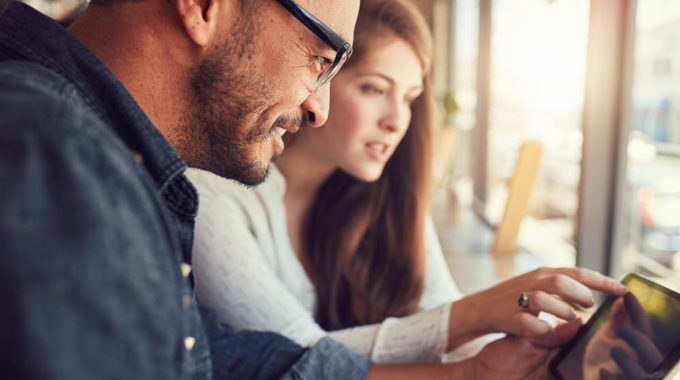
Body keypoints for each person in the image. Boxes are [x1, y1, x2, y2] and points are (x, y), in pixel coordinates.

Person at [0, 0, 585, 378]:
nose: (319, 108)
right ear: (203, 7)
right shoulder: (55, 161)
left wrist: (473, 374)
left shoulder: (118, 165)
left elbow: (215, 353)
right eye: (320, 58)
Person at [188, 0, 629, 368]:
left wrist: (546, 352)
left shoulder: (388, 197)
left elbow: (444, 313)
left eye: (410, 98)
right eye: (375, 89)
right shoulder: (210, 193)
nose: (397, 121)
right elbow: (298, 354)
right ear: (318, 76)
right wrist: (474, 315)